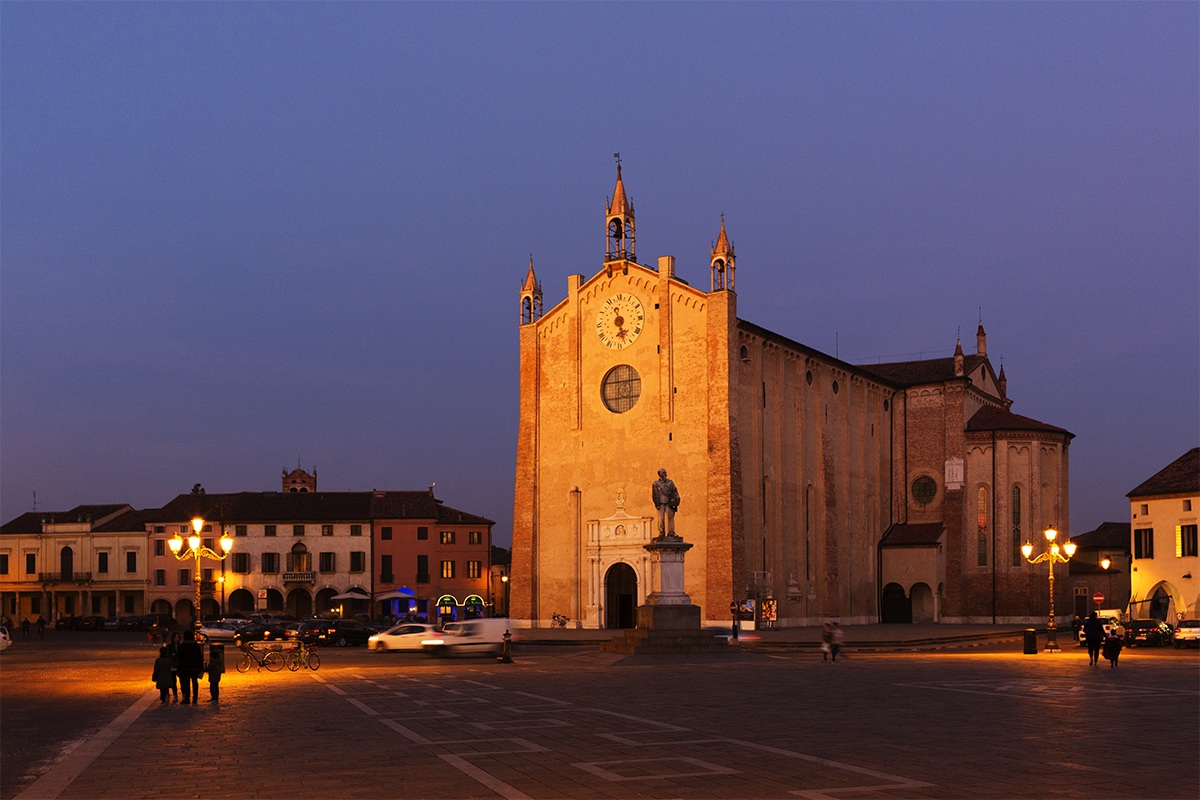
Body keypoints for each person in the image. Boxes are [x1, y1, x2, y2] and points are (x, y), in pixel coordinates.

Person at [176, 630, 203, 705]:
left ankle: (187, 698)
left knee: (186, 683)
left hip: (185, 668)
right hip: (194, 667)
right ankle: (195, 697)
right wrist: (200, 667)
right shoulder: (196, 645)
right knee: (194, 682)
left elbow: (179, 657)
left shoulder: (182, 646)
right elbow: (199, 657)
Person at [651, 468, 681, 538]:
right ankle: (661, 532)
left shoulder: (670, 483)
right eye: (662, 473)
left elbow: (674, 492)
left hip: (669, 502)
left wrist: (675, 501)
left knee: (670, 518)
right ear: (659, 475)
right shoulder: (656, 484)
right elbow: (655, 494)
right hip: (661, 503)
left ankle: (671, 532)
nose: (664, 474)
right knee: (661, 518)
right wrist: (657, 504)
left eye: (664, 473)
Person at [165, 632, 183, 702]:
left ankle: (181, 695)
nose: (176, 639)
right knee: (173, 681)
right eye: (175, 637)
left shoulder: (180, 646)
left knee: (182, 681)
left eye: (177, 637)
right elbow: (169, 656)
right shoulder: (169, 646)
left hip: (179, 666)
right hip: (172, 666)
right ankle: (175, 695)